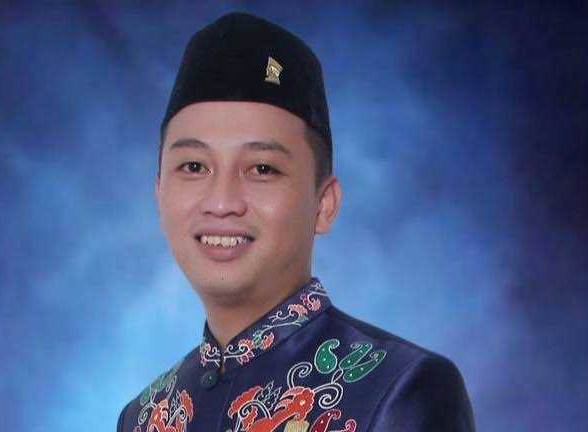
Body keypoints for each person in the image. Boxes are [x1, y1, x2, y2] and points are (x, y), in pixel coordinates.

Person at [117, 11, 475, 432]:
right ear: (159, 195)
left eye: (262, 169)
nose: (222, 202)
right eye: (194, 166)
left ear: (324, 204)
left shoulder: (401, 389)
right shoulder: (144, 415)